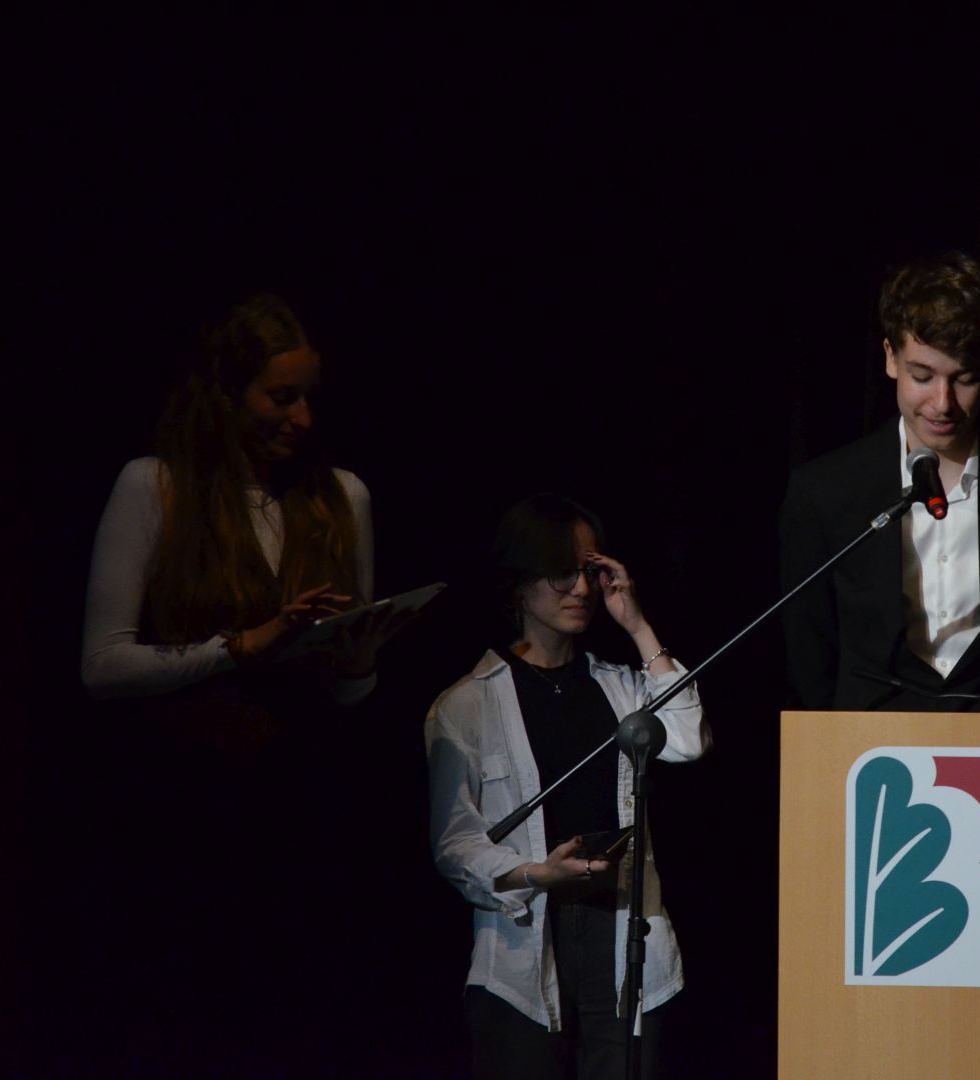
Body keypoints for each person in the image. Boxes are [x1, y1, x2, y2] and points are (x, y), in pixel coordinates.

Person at [76, 293, 408, 1065]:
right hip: (181, 810)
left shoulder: (342, 497)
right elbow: (101, 666)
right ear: (225, 394)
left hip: (303, 813)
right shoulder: (156, 486)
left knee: (295, 1025)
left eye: (309, 398)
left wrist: (359, 664)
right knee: (187, 1024)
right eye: (280, 397)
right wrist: (242, 647)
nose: (301, 418)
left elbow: (350, 692)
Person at [425, 493, 710, 1080]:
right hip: (524, 940)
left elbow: (689, 739)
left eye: (589, 570)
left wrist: (637, 625)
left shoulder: (619, 686)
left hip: (622, 932)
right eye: (560, 572)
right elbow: (455, 844)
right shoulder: (468, 703)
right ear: (518, 581)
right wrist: (536, 874)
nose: (580, 589)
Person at [779, 252, 980, 713]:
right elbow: (811, 660)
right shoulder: (825, 491)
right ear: (891, 358)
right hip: (873, 744)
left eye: (964, 380)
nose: (943, 403)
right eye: (923, 376)